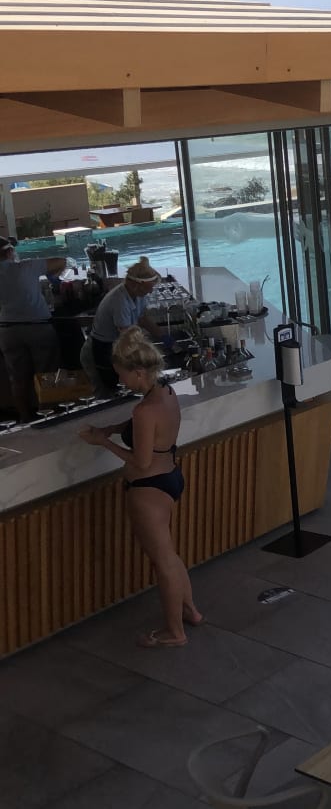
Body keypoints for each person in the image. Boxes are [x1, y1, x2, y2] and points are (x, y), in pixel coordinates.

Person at [79, 326, 200, 647]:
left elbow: (141, 461)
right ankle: (190, 610)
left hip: (149, 488)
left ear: (138, 372)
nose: (120, 381)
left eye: (122, 375)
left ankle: (175, 632)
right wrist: (110, 428)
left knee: (163, 562)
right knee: (169, 555)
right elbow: (142, 428)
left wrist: (103, 442)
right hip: (169, 477)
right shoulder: (165, 392)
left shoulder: (144, 410)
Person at [0, 236, 67, 421]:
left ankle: (24, 418)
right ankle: (47, 414)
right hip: (38, 327)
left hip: (7, 330)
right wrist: (54, 277)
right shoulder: (26, 266)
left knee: (17, 378)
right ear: (9, 252)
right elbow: (62, 261)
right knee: (46, 374)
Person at [82, 256, 163, 394]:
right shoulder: (120, 301)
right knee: (109, 393)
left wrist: (162, 335)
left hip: (114, 347)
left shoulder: (138, 294)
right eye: (149, 287)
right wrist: (147, 354)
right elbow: (128, 338)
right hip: (101, 350)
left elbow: (142, 318)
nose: (150, 291)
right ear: (136, 284)